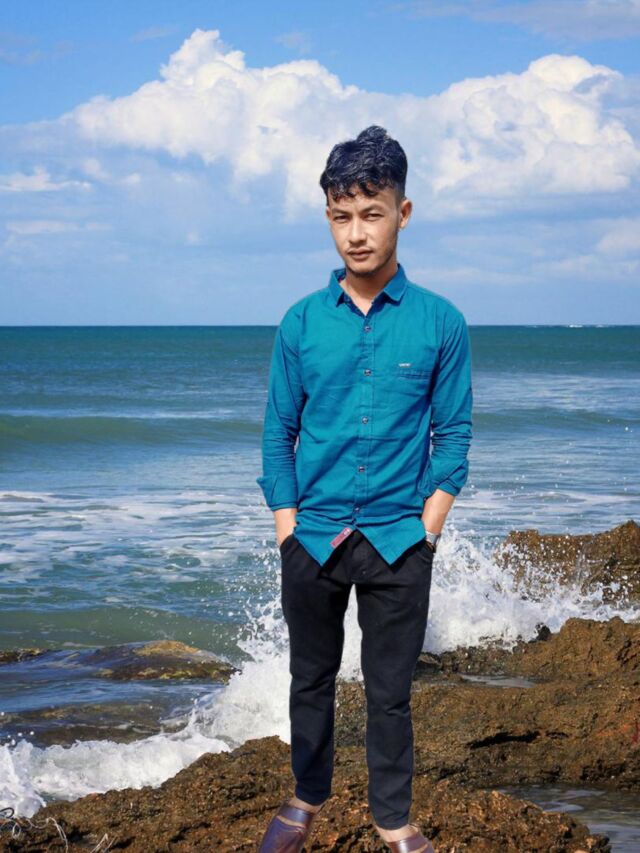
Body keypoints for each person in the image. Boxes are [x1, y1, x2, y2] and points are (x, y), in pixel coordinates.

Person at [256, 125, 473, 853]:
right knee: (309, 679)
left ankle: (392, 818)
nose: (356, 233)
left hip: (400, 540)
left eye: (371, 214)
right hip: (312, 538)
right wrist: (287, 528)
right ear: (328, 218)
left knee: (390, 693)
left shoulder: (441, 322)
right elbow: (278, 433)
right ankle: (306, 793)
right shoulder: (300, 322)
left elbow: (454, 436)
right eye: (341, 216)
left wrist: (430, 528)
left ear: (402, 214)